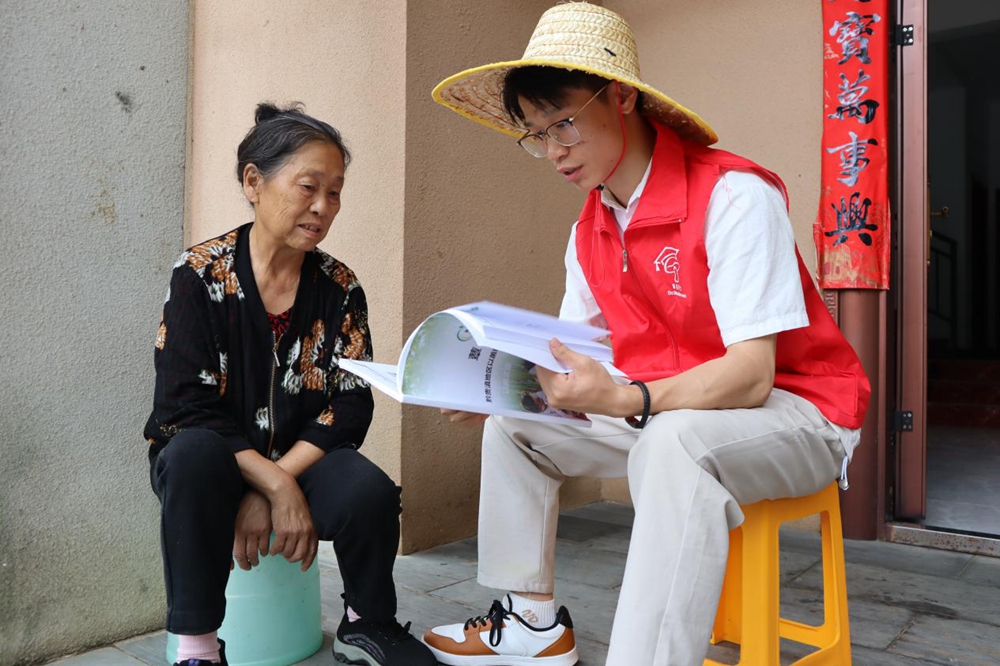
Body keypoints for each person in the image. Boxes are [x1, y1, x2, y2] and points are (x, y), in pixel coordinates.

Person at [422, 4, 870, 665]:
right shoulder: (590, 230)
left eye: (565, 122)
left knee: (673, 441)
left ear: (622, 97)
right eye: (537, 134)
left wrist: (631, 400)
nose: (554, 152)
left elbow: (751, 376)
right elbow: (573, 360)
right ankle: (532, 626)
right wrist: (502, 391)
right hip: (667, 409)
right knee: (515, 431)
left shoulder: (734, 196)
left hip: (801, 412)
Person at [144, 102, 436, 666]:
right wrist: (273, 489)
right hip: (213, 463)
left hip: (303, 457)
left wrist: (279, 480)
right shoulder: (200, 275)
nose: (323, 207)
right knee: (191, 455)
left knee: (368, 491)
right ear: (254, 182)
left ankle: (365, 623)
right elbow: (184, 407)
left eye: (335, 192)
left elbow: (350, 407)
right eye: (309, 187)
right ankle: (198, 649)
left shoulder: (339, 286)